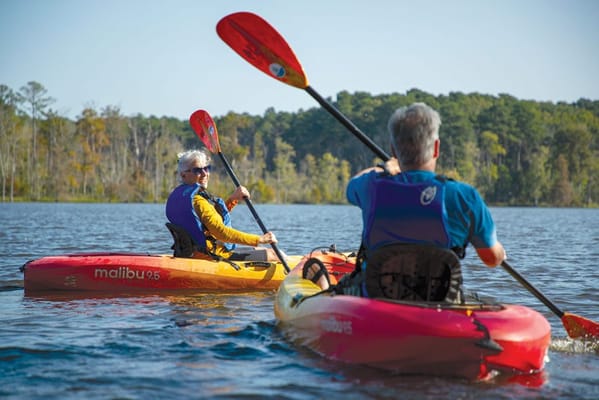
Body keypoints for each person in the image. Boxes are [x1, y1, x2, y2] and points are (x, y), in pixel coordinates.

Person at [333, 102, 506, 300]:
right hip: (439, 303)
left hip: (376, 300)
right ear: (436, 148)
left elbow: (351, 186)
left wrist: (384, 168)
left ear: (394, 150)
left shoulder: (371, 186)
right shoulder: (464, 196)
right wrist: (501, 252)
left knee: (329, 281)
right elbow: (492, 259)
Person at [166, 149, 280, 262]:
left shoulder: (183, 196)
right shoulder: (198, 201)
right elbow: (221, 233)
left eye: (206, 168)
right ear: (183, 175)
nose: (205, 174)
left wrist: (232, 200)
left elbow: (209, 220)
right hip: (211, 257)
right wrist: (259, 239)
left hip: (192, 254)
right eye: (197, 170)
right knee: (274, 255)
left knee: (259, 250)